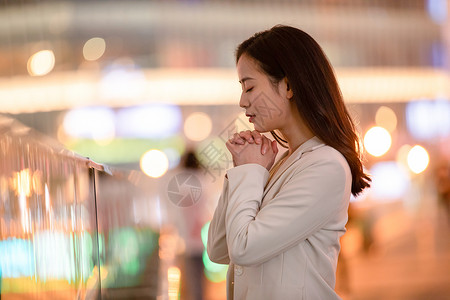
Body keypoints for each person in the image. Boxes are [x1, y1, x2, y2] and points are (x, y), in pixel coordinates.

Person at [207, 25, 371, 300]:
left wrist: (249, 169)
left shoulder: (325, 165)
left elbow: (244, 248)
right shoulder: (280, 161)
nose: (242, 101)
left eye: (249, 87)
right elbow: (218, 249)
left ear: (289, 85)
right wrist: (244, 170)